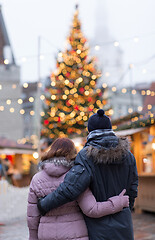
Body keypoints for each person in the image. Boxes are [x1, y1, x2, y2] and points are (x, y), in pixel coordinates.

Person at [37, 109, 138, 240]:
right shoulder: (129, 156)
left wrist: (44, 204)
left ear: (90, 131)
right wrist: (124, 210)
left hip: (98, 228)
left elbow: (70, 188)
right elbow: (133, 189)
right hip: (124, 224)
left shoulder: (86, 156)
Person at [27, 137, 129, 240]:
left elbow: (32, 216)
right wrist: (118, 202)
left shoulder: (37, 179)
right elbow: (92, 209)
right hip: (74, 233)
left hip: (46, 234)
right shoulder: (76, 177)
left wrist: (33, 237)